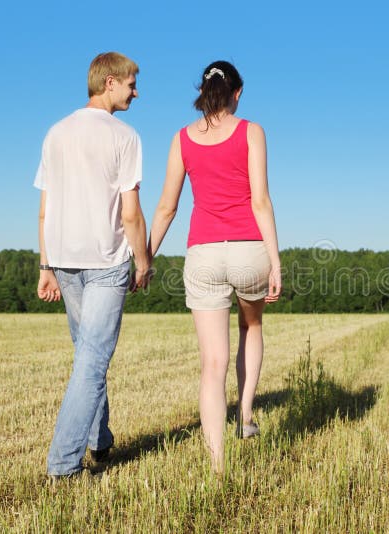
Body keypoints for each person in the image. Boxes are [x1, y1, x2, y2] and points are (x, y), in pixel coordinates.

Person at [148, 60, 282, 473]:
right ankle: (244, 417)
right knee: (251, 327)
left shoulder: (182, 139)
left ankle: (217, 464)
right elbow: (260, 200)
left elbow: (167, 207)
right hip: (247, 250)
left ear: (203, 93)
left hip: (203, 253)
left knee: (212, 363)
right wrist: (275, 261)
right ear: (236, 93)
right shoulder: (251, 132)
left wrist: (145, 257)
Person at [34, 51, 151, 479]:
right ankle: (63, 466)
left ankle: (99, 441)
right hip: (105, 261)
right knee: (93, 360)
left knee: (88, 355)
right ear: (109, 83)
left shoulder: (55, 133)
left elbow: (45, 209)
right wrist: (143, 261)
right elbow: (131, 214)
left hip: (63, 259)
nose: (137, 91)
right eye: (132, 83)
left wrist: (46, 265)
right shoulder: (125, 137)